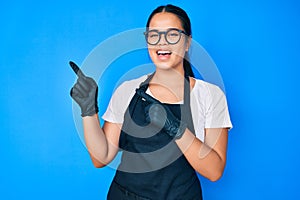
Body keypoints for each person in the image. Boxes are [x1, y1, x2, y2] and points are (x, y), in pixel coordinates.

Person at [70, 4, 232, 200]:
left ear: (187, 42)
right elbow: (101, 157)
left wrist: (176, 129)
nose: (161, 43)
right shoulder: (127, 90)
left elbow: (214, 171)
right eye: (154, 35)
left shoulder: (210, 96)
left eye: (172, 35)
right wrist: (89, 111)